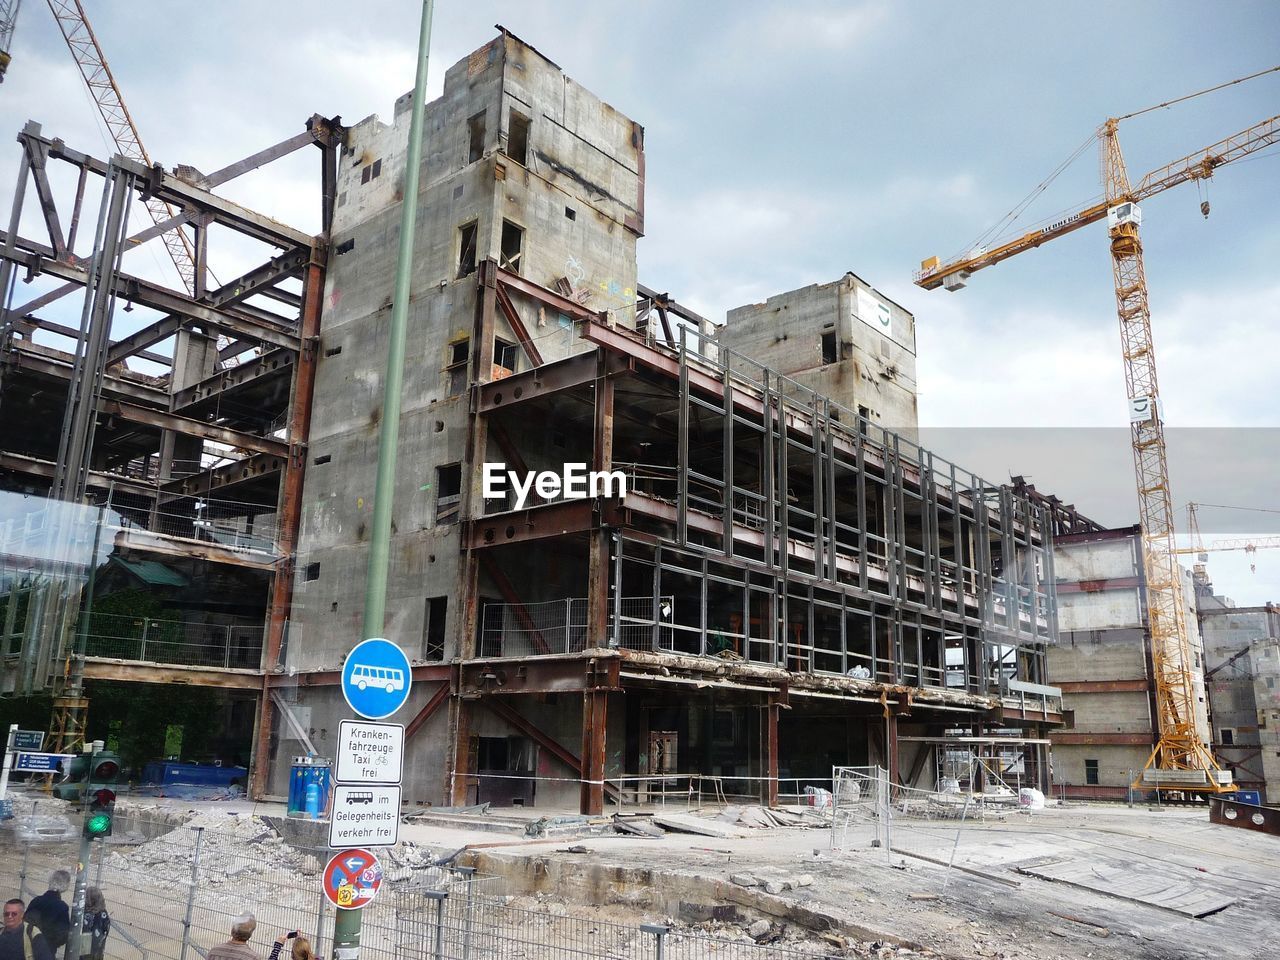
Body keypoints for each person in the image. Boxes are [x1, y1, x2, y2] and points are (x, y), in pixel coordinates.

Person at [24, 872, 70, 952]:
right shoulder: (62, 907)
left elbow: (25, 923)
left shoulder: (36, 901)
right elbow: (63, 935)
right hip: (47, 949)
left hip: (28, 947)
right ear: (65, 886)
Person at [80, 888, 110, 960]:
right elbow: (106, 930)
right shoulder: (104, 914)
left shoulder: (83, 913)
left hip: (84, 948)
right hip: (98, 949)